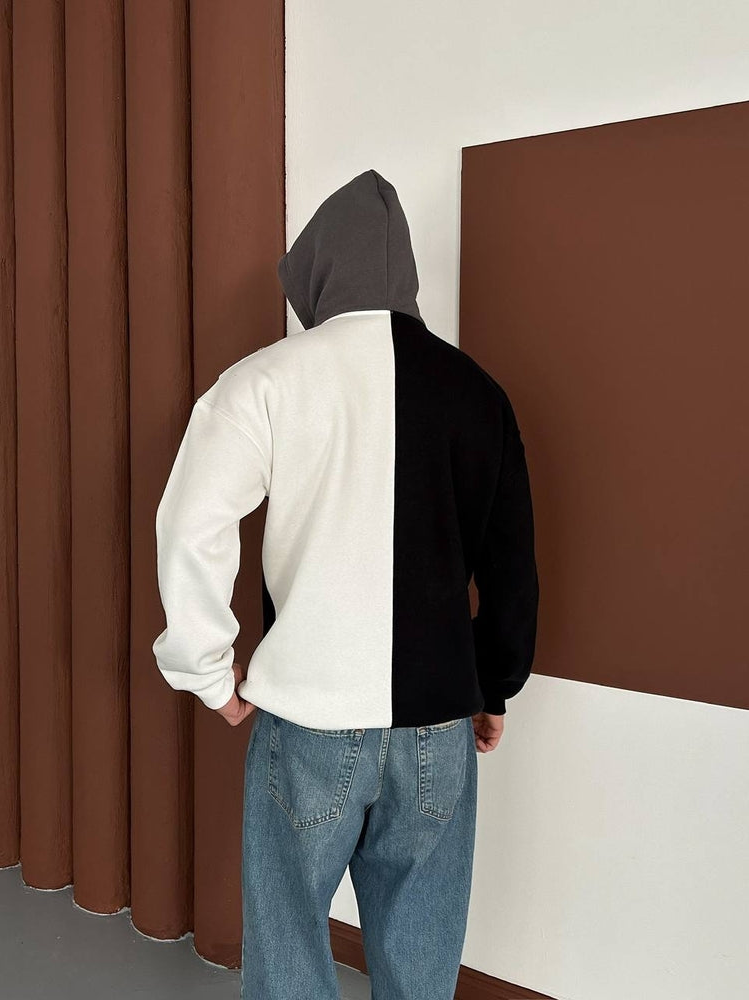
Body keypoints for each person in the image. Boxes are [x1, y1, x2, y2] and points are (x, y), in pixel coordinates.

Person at [152, 168, 539, 1000]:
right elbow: (512, 564)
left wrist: (208, 671)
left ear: (319, 266)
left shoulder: (265, 381)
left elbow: (189, 524)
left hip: (309, 723)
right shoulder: (479, 394)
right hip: (439, 727)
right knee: (421, 969)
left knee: (289, 955)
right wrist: (495, 685)